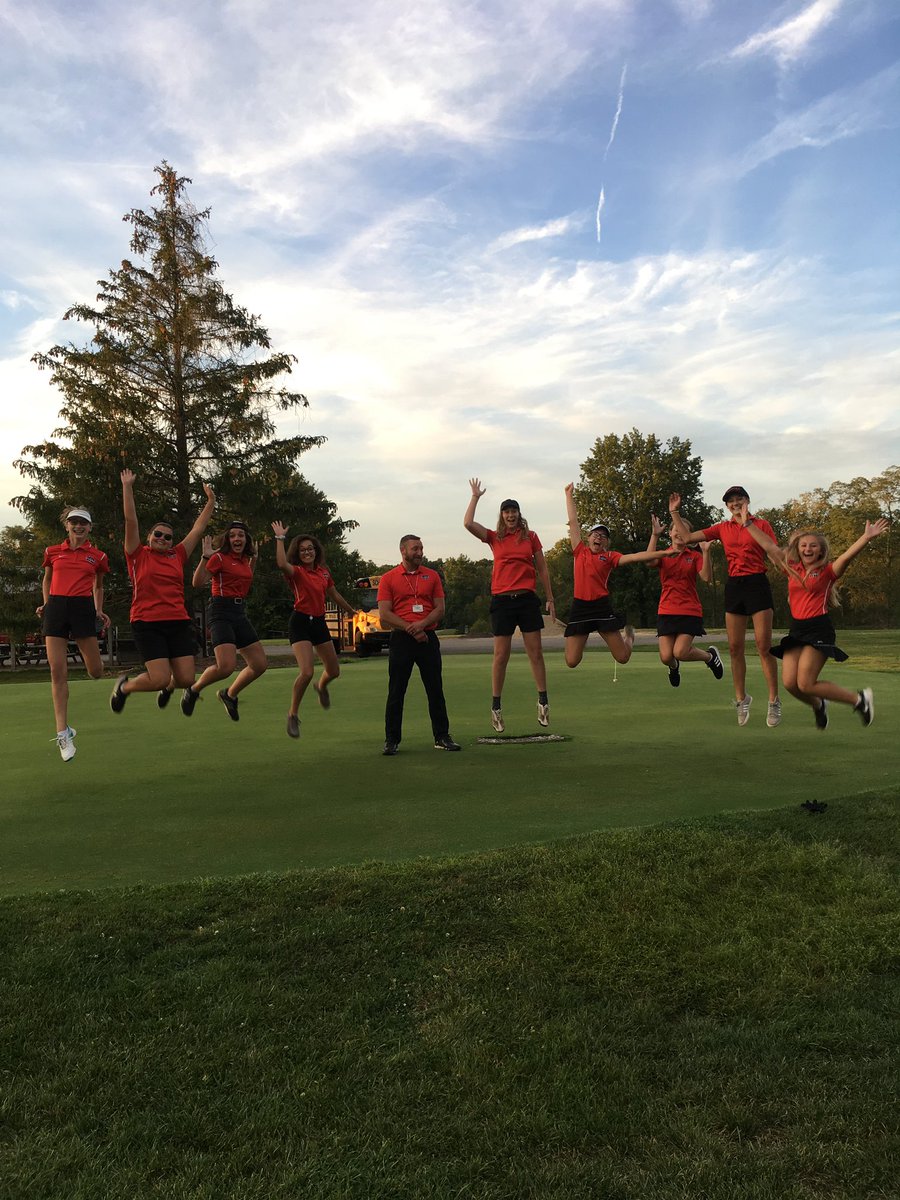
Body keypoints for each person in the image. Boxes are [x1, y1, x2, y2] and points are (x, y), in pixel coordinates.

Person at [737, 505, 888, 729]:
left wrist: (865, 538)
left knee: (806, 683)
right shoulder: (792, 568)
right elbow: (768, 545)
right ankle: (819, 705)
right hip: (797, 630)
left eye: (813, 546)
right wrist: (747, 523)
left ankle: (860, 700)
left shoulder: (828, 571)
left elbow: (847, 556)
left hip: (819, 629)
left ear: (820, 551)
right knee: (790, 683)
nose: (808, 549)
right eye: (804, 545)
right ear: (798, 549)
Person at [670, 487, 781, 728]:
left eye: (739, 499)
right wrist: (675, 513)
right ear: (727, 506)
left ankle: (773, 700)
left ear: (747, 501)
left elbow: (773, 552)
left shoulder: (761, 524)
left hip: (757, 584)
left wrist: (778, 560)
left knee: (764, 646)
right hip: (735, 586)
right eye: (730, 501)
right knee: (734, 648)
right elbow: (688, 538)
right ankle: (742, 699)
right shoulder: (722, 528)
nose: (735, 503)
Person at [110, 469, 215, 713]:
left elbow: (197, 530)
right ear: (148, 537)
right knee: (158, 677)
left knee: (187, 679)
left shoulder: (176, 554)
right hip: (148, 623)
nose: (163, 539)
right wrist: (127, 487)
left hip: (177, 621)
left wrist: (210, 502)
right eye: (158, 534)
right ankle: (124, 688)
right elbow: (131, 521)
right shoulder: (136, 554)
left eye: (167, 537)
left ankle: (168, 687)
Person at [464, 479, 555, 732]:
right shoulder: (494, 537)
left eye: (514, 511)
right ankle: (495, 707)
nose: (510, 515)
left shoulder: (531, 537)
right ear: (502, 516)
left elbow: (543, 569)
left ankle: (543, 702)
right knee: (500, 656)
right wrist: (475, 497)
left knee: (535, 653)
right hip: (502, 601)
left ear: (519, 514)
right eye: (506, 512)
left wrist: (550, 598)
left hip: (526, 599)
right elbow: (468, 524)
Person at [271, 522, 358, 739]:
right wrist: (280, 539)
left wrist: (350, 610)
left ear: (316, 551)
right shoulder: (297, 572)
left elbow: (334, 594)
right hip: (300, 622)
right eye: (303, 550)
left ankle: (321, 686)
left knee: (334, 671)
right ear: (298, 554)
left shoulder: (324, 572)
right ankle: (293, 714)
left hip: (318, 623)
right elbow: (281, 563)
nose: (307, 552)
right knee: (307, 671)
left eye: (310, 549)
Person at [38, 506, 110, 760]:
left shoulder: (98, 556)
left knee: (96, 671)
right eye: (74, 522)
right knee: (57, 671)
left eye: (83, 523)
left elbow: (98, 586)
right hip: (56, 607)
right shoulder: (52, 552)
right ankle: (63, 733)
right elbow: (47, 580)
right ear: (67, 526)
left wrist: (99, 611)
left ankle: (66, 729)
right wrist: (47, 605)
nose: (78, 526)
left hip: (82, 608)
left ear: (89, 527)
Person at [377, 534, 460, 755]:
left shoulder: (432, 576)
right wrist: (410, 628)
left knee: (435, 689)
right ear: (403, 551)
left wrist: (421, 625)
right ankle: (391, 740)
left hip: (427, 638)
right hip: (401, 639)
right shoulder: (389, 578)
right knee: (396, 690)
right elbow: (385, 613)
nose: (420, 552)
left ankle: (442, 736)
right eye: (415, 549)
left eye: (421, 548)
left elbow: (439, 609)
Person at [178, 523, 268, 720]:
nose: (237, 539)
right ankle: (193, 689)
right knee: (226, 667)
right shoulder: (218, 557)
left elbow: (245, 582)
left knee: (259, 664)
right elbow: (197, 582)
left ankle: (229, 694)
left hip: (239, 612)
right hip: (220, 611)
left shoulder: (246, 560)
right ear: (227, 539)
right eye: (233, 536)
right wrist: (206, 557)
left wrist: (254, 561)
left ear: (246, 540)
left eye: (241, 536)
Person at [647, 505, 723, 687]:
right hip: (666, 610)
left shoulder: (694, 556)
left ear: (690, 537)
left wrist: (706, 552)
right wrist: (655, 535)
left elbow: (706, 577)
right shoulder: (664, 554)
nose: (678, 533)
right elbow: (649, 561)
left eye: (683, 531)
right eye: (675, 529)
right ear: (671, 534)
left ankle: (710, 657)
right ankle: (674, 668)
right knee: (666, 657)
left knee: (680, 652)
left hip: (689, 610)